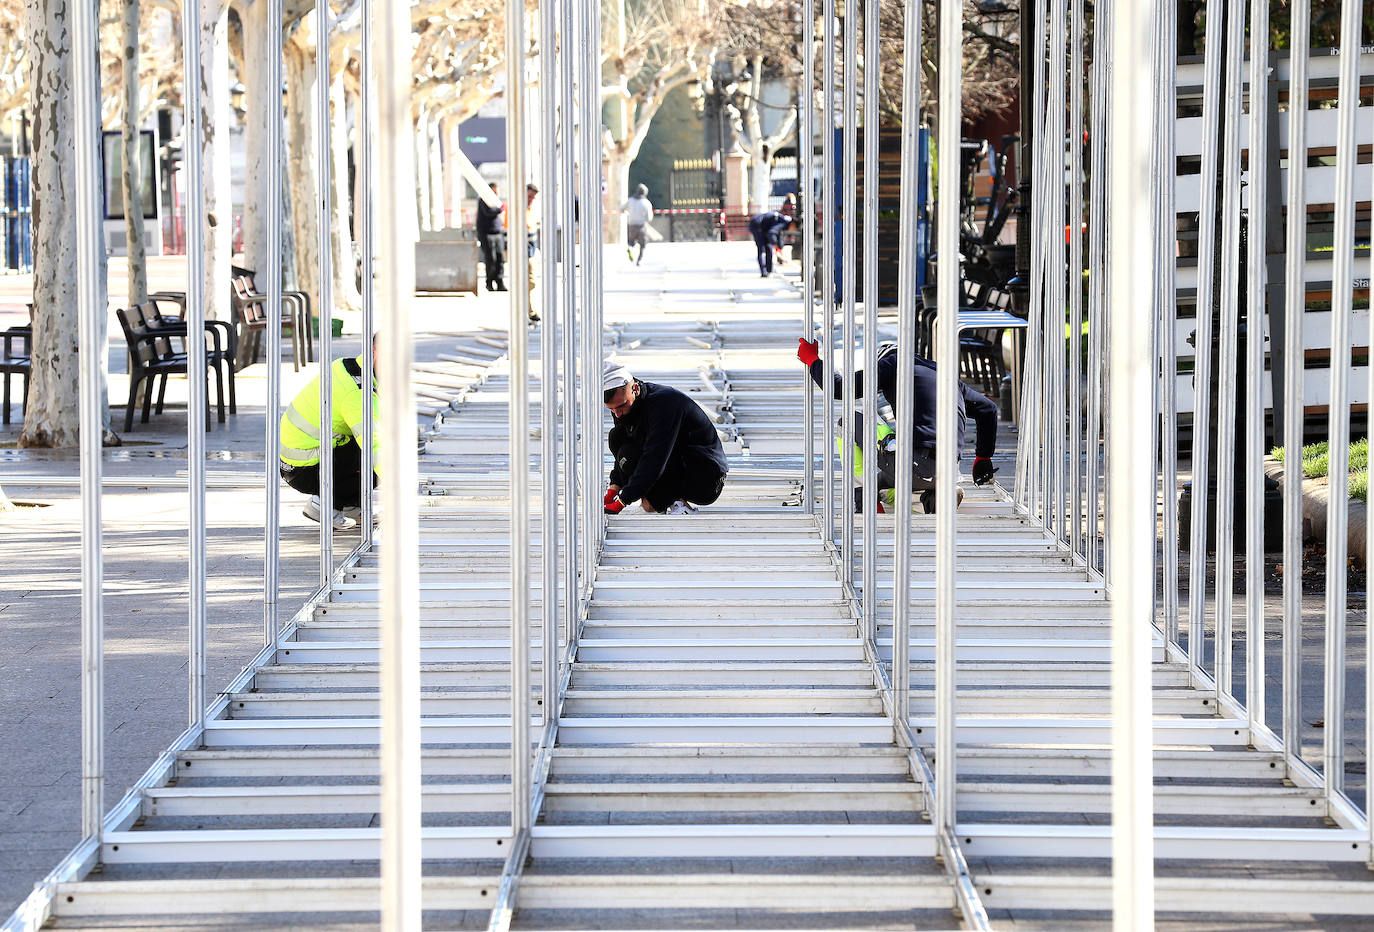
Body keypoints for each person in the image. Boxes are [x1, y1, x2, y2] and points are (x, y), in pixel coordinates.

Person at [796, 338, 999, 513]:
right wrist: (983, 458)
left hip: (915, 465)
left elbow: (840, 388)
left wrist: (813, 360)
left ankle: (863, 500)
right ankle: (933, 500)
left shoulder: (893, 363)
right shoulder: (944, 375)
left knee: (847, 423)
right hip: (949, 472)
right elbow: (988, 410)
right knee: (885, 482)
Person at [602, 361, 728, 515]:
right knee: (617, 436)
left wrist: (623, 500)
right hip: (676, 465)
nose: (617, 414)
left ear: (634, 388)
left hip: (705, 479)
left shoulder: (664, 403)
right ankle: (661, 499)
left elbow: (655, 457)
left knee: (635, 455)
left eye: (620, 406)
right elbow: (623, 447)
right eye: (611, 409)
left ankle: (669, 500)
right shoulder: (623, 405)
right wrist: (615, 487)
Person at [279, 339, 381, 530]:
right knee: (380, 457)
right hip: (306, 470)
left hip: (294, 463)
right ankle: (324, 505)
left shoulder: (348, 366)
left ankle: (350, 506)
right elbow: (374, 444)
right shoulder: (358, 393)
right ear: (374, 353)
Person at [475, 186, 506, 292]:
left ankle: (500, 282)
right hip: (486, 233)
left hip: (498, 233)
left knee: (500, 258)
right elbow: (489, 212)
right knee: (491, 259)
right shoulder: (483, 200)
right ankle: (489, 282)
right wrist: (500, 209)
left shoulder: (496, 202)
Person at [748, 210, 796, 278]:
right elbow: (772, 233)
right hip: (757, 225)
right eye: (794, 229)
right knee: (762, 249)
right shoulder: (784, 222)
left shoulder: (783, 222)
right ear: (793, 224)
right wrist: (775, 244)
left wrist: (779, 248)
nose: (793, 231)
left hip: (765, 228)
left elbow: (778, 234)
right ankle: (764, 272)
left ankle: (769, 271)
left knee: (769, 249)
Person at [622, 184, 654, 265]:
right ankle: (639, 261)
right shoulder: (646, 203)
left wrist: (626, 212)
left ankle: (630, 248)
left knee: (631, 242)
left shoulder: (630, 200)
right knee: (643, 244)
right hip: (641, 226)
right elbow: (649, 217)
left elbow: (621, 208)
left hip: (631, 225)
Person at [524, 183, 540, 323]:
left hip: (530, 251)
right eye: (529, 197)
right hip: (523, 253)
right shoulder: (519, 210)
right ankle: (529, 312)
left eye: (533, 198)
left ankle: (529, 311)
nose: (531, 200)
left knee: (531, 283)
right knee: (529, 283)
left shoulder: (528, 211)